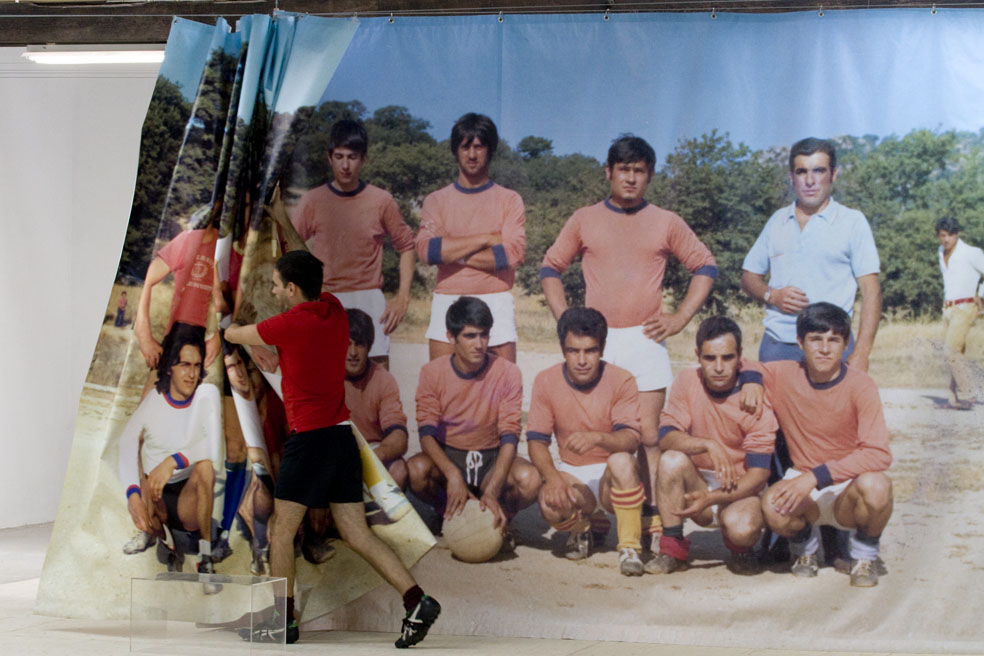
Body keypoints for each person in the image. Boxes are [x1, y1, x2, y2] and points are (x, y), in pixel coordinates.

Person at [225, 251, 440, 647]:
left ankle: (283, 622)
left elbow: (235, 335)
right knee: (358, 533)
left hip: (310, 442)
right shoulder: (335, 309)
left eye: (277, 284)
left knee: (281, 533)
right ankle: (417, 600)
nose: (274, 289)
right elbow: (282, 356)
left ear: (291, 289)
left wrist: (230, 325)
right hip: (343, 439)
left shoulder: (289, 323)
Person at [540, 135, 717, 546]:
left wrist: (680, 317)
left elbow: (705, 265)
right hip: (599, 341)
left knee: (649, 436)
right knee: (603, 434)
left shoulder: (666, 221)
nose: (631, 178)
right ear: (608, 172)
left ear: (649, 176)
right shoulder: (584, 218)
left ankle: (658, 524)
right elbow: (551, 267)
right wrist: (566, 320)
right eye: (624, 169)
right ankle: (599, 516)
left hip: (645, 337)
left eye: (639, 170)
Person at [740, 137, 882, 565]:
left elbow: (871, 291)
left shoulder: (852, 222)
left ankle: (838, 528)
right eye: (802, 171)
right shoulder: (778, 221)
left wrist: (862, 354)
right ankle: (788, 529)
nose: (810, 179)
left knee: (835, 436)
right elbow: (748, 274)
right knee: (775, 437)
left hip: (831, 346)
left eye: (819, 170)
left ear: (833, 175)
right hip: (779, 344)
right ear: (791, 176)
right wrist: (771, 293)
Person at [747, 303, 893, 587]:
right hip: (803, 481)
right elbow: (746, 365)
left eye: (833, 340)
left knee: (878, 487)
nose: (824, 349)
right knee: (772, 505)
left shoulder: (861, 384)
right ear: (800, 342)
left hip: (845, 488)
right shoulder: (784, 373)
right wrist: (753, 380)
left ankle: (864, 555)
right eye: (815, 339)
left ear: (846, 344)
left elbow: (878, 453)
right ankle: (806, 549)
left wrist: (816, 476)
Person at [648, 317, 777, 576]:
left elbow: (759, 475)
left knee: (743, 528)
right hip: (698, 481)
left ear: (740, 357)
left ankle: (741, 550)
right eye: (709, 358)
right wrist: (707, 445)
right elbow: (666, 437)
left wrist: (712, 498)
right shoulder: (687, 381)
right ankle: (672, 548)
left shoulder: (753, 398)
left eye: (727, 358)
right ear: (697, 356)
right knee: (670, 459)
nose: (718, 367)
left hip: (739, 487)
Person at [408, 296, 540, 542]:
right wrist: (452, 474)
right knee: (416, 471)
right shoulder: (432, 373)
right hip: (450, 455)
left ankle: (501, 517)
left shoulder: (508, 372)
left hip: (492, 457)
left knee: (530, 479)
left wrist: (492, 488)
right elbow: (426, 434)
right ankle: (446, 511)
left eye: (484, 335)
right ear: (451, 337)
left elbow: (510, 434)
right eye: (469, 336)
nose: (479, 344)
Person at [526, 307, 646, 576]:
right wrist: (553, 478)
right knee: (548, 499)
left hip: (610, 476)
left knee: (622, 460)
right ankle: (581, 529)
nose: (581, 360)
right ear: (562, 349)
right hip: (573, 474)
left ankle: (629, 548)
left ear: (602, 349)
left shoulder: (621, 379)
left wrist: (598, 438)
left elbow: (631, 439)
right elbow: (536, 440)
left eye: (590, 350)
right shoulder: (546, 380)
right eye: (573, 351)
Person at [289, 118, 416, 368]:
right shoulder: (313, 201)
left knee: (377, 379)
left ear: (364, 159)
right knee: (324, 378)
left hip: (369, 298)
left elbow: (407, 247)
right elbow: (288, 249)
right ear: (329, 157)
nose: (345, 165)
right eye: (339, 156)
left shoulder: (382, 200)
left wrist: (402, 299)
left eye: (353, 157)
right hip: (328, 299)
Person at [416, 113, 526, 363]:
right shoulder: (436, 200)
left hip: (496, 298)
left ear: (490, 150)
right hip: (448, 298)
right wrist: (488, 238)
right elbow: (427, 252)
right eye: (465, 146)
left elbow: (512, 254)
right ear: (456, 150)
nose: (472, 154)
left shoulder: (509, 200)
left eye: (479, 146)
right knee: (443, 386)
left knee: (502, 389)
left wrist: (452, 252)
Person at [117, 323, 222, 579]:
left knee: (206, 466)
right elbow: (126, 444)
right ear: (170, 368)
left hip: (188, 498)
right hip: (156, 497)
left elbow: (214, 445)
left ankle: (205, 558)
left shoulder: (206, 396)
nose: (191, 374)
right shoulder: (154, 400)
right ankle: (152, 535)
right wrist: (132, 495)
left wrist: (174, 461)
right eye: (184, 365)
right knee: (143, 467)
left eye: (197, 366)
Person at [344, 308, 410, 489]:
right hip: (334, 452)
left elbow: (398, 435)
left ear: (370, 346)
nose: (352, 353)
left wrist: (375, 456)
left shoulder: (383, 379)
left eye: (359, 344)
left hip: (370, 453)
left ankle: (381, 516)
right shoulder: (322, 376)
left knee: (398, 469)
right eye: (346, 343)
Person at [935, 216, 984, 409]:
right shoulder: (940, 252)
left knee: (950, 350)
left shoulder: (970, 252)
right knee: (954, 353)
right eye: (942, 235)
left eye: (950, 235)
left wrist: (981, 294)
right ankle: (953, 398)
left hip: (965, 307)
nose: (946, 239)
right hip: (947, 308)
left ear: (957, 234)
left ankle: (969, 392)